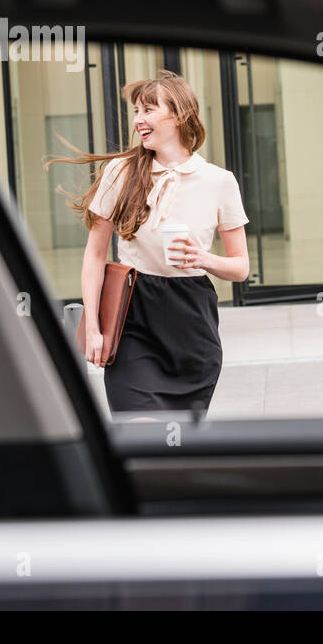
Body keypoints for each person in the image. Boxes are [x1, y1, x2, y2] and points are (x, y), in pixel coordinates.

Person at [46, 70, 250, 418]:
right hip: (133, 315)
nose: (139, 119)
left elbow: (240, 268)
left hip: (192, 321)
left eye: (148, 110)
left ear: (180, 115)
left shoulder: (219, 181)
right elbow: (95, 256)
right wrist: (93, 328)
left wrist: (203, 258)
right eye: (136, 111)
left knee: (179, 444)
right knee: (137, 425)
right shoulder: (121, 172)